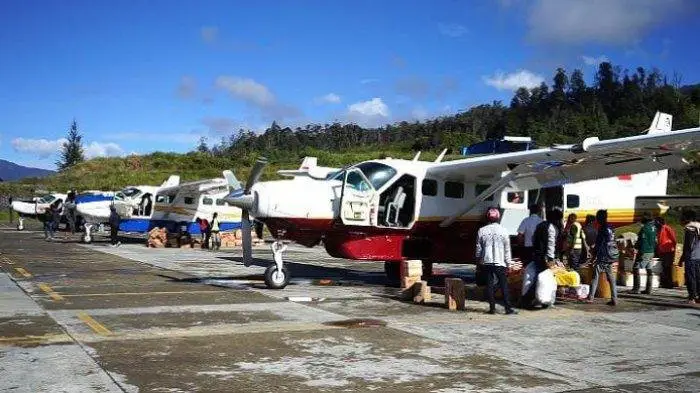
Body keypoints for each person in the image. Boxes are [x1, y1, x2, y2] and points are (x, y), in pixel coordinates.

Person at [475, 208, 517, 315]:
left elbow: (478, 249)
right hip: (500, 262)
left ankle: (492, 308)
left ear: (488, 218)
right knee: (503, 285)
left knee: (489, 285)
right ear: (498, 218)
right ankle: (508, 308)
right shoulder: (504, 231)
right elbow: (507, 250)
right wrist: (509, 263)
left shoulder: (482, 230)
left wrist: (478, 261)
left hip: (487, 261)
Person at [521, 207, 563, 309]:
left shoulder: (540, 225)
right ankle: (531, 299)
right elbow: (551, 245)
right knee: (541, 278)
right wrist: (551, 260)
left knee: (538, 277)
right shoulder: (551, 228)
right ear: (556, 219)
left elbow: (533, 239)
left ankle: (536, 299)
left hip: (536, 255)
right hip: (544, 258)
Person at [588, 209, 618, 306]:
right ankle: (614, 298)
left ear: (599, 218)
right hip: (611, 255)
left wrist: (594, 256)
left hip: (603, 256)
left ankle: (591, 297)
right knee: (611, 278)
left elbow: (598, 244)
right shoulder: (611, 227)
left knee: (595, 276)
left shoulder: (602, 228)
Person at [632, 213, 657, 294]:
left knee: (636, 268)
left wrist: (636, 248)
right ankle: (648, 289)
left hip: (644, 251)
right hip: (651, 251)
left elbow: (641, 241)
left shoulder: (644, 228)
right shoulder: (654, 228)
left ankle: (636, 288)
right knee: (649, 270)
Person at [680, 209, 700, 304]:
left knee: (690, 276)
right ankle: (698, 296)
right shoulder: (698, 226)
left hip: (691, 256)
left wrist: (682, 258)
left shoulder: (690, 229)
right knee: (698, 276)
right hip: (698, 256)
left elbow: (688, 246)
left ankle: (692, 297)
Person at [655, 216, 677, 288]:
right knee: (664, 267)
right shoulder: (659, 229)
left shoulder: (667, 228)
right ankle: (665, 283)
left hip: (668, 250)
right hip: (663, 250)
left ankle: (669, 283)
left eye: (656, 221)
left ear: (659, 222)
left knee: (667, 267)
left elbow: (674, 239)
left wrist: (673, 248)